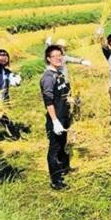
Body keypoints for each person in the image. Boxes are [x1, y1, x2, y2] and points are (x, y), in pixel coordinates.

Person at [40, 45, 72, 190]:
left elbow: (64, 94)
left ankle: (64, 168)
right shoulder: (48, 78)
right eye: (55, 56)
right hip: (56, 118)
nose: (59, 58)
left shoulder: (60, 74)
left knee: (62, 144)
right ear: (48, 59)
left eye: (60, 55)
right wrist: (54, 121)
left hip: (64, 115)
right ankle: (55, 180)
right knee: (54, 148)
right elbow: (49, 101)